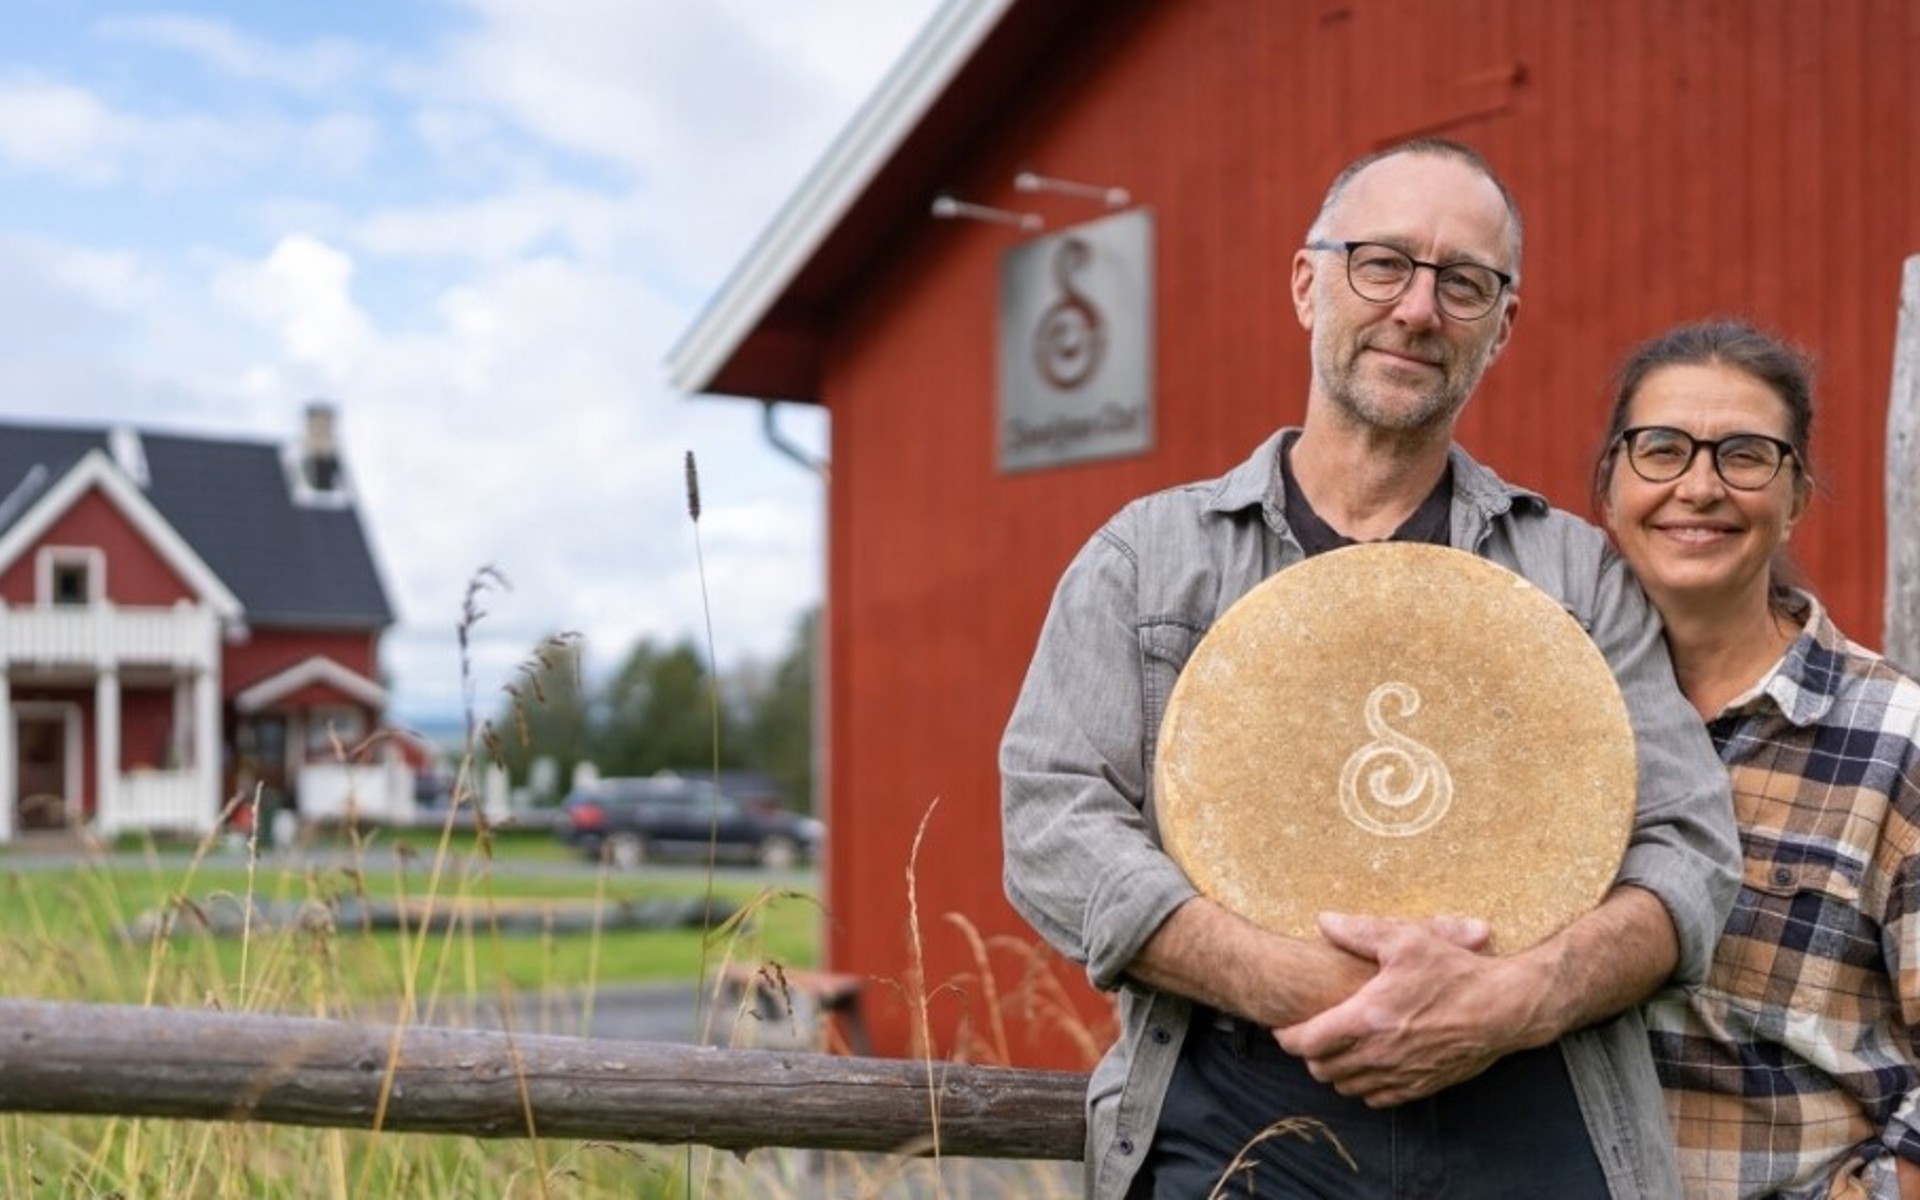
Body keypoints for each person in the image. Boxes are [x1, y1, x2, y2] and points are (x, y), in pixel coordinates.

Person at [999, 137, 1741, 1200]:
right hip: (1239, 1122)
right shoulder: (1146, 559)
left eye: (1464, 282)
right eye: (1381, 262)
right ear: (1309, 284)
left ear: (1502, 324)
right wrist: (1305, 983)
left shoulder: (1576, 576)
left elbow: (1689, 852)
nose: (1417, 309)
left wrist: (1510, 1002)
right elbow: (1051, 820)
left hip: (1534, 1122)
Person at [1591, 320, 1920, 1198]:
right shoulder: (1553, 717)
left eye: (1744, 455)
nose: (1698, 487)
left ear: (1799, 494)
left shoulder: (1895, 743)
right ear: (1609, 484)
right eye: (1661, 449)